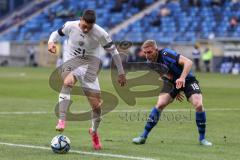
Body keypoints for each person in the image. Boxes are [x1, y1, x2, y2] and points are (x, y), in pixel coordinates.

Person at [48, 9, 126, 150]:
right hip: (70, 62)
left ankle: (94, 132)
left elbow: (114, 51)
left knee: (97, 108)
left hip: (89, 68)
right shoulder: (70, 26)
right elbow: (56, 33)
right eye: (84, 26)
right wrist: (51, 42)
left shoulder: (100, 33)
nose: (85, 29)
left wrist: (121, 72)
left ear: (93, 25)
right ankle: (62, 119)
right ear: (81, 19)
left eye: (89, 27)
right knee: (68, 82)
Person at [132, 40, 212, 146]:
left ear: (156, 50)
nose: (147, 55)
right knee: (160, 104)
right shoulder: (150, 63)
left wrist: (182, 79)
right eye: (145, 53)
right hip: (172, 82)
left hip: (188, 80)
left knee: (198, 104)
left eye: (149, 52)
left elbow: (188, 62)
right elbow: (164, 75)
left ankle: (202, 139)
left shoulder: (166, 54)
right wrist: (176, 89)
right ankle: (143, 136)